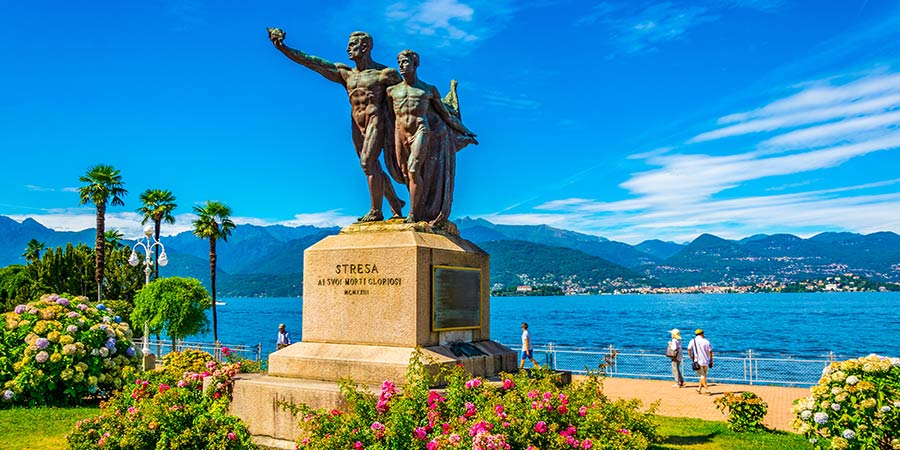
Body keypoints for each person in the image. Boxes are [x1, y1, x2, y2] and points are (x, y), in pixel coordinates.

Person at [268, 29, 405, 222]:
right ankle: (395, 203)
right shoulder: (345, 73)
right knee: (370, 166)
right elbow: (311, 61)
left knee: (368, 163)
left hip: (377, 121)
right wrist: (283, 48)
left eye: (352, 46)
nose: (347, 49)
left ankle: (376, 211)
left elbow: (408, 91)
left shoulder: (384, 74)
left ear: (364, 47)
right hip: (357, 125)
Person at [386, 49, 477, 224]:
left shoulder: (427, 90)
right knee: (405, 173)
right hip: (400, 134)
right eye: (399, 63)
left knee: (413, 169)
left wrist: (465, 130)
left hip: (421, 130)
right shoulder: (392, 91)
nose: (401, 66)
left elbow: (446, 115)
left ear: (415, 64)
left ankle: (414, 213)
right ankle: (416, 206)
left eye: (405, 62)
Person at [688, 328, 714, 395]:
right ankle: (705, 389)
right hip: (706, 361)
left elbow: (689, 349)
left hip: (697, 361)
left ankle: (700, 389)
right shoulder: (706, 341)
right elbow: (710, 351)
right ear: (702, 334)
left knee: (702, 376)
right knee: (704, 376)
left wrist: (691, 356)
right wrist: (711, 360)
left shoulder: (693, 341)